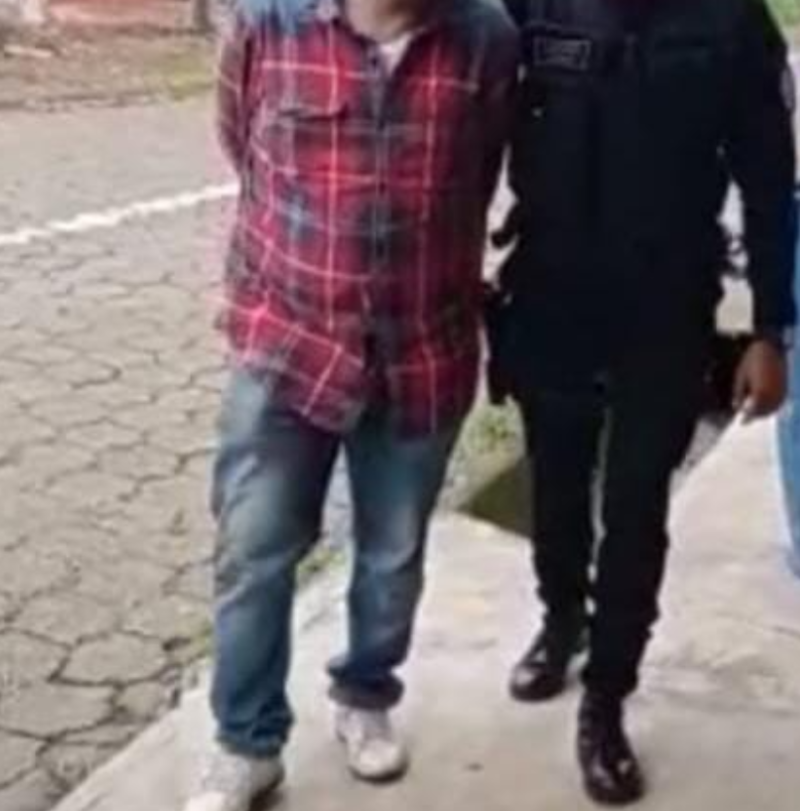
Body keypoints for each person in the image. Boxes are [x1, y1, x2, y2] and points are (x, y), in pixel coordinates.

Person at [188, 0, 517, 806]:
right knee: (253, 549)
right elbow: (243, 149)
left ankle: (365, 694)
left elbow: (479, 177)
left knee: (392, 552)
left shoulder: (485, 39)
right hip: (286, 343)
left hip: (421, 346)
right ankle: (246, 741)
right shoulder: (269, 23)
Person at [492, 0, 798, 803]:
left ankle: (605, 699)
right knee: (555, 481)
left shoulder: (731, 23)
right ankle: (561, 619)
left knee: (635, 504)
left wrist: (771, 331)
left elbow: (769, 184)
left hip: (665, 302)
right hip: (550, 289)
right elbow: (464, 128)